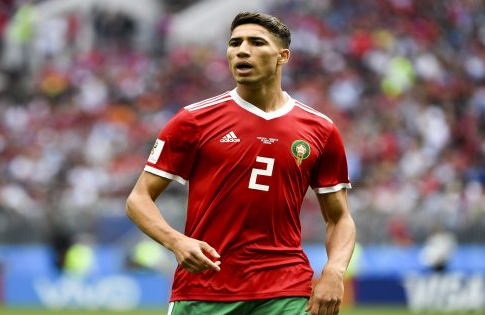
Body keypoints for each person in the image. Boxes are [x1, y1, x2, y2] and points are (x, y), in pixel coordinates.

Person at [126, 12, 356, 315]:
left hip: (285, 289)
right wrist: (177, 242)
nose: (242, 50)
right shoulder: (194, 120)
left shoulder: (320, 129)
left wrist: (335, 271)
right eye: (235, 43)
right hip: (204, 288)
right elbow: (138, 199)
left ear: (282, 56)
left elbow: (339, 218)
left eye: (256, 42)